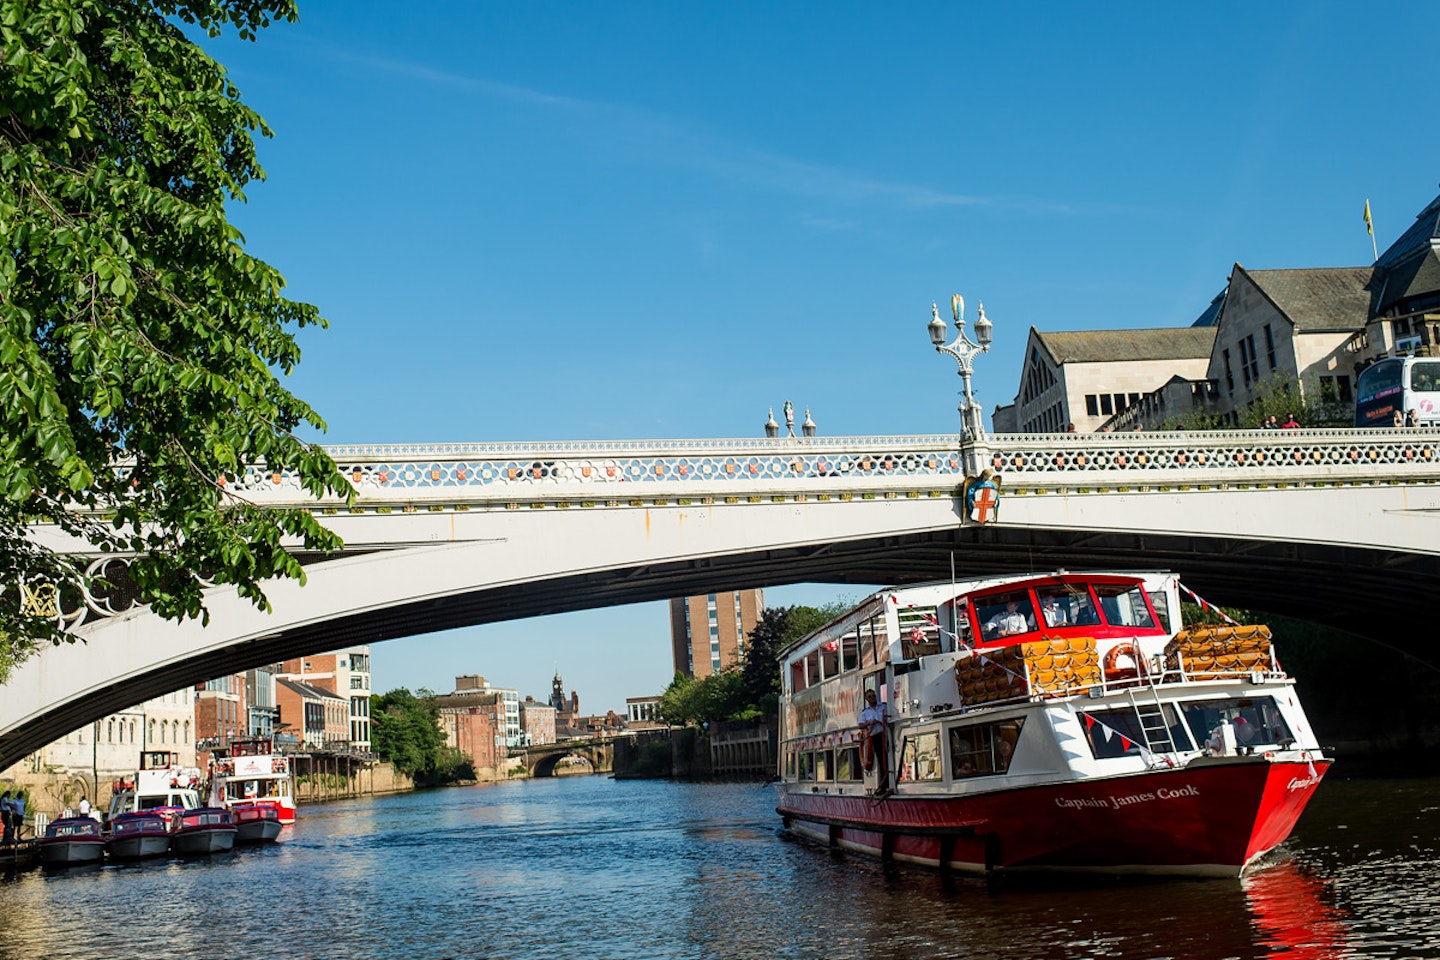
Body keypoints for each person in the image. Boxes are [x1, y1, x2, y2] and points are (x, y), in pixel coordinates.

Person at [857, 689, 889, 785]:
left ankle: (889, 779)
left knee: (888, 757)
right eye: (869, 697)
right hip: (876, 736)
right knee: (881, 759)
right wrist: (869, 722)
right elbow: (860, 725)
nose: (872, 698)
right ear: (867, 699)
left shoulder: (883, 706)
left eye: (873, 696)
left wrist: (882, 720)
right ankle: (884, 783)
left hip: (886, 734)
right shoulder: (865, 712)